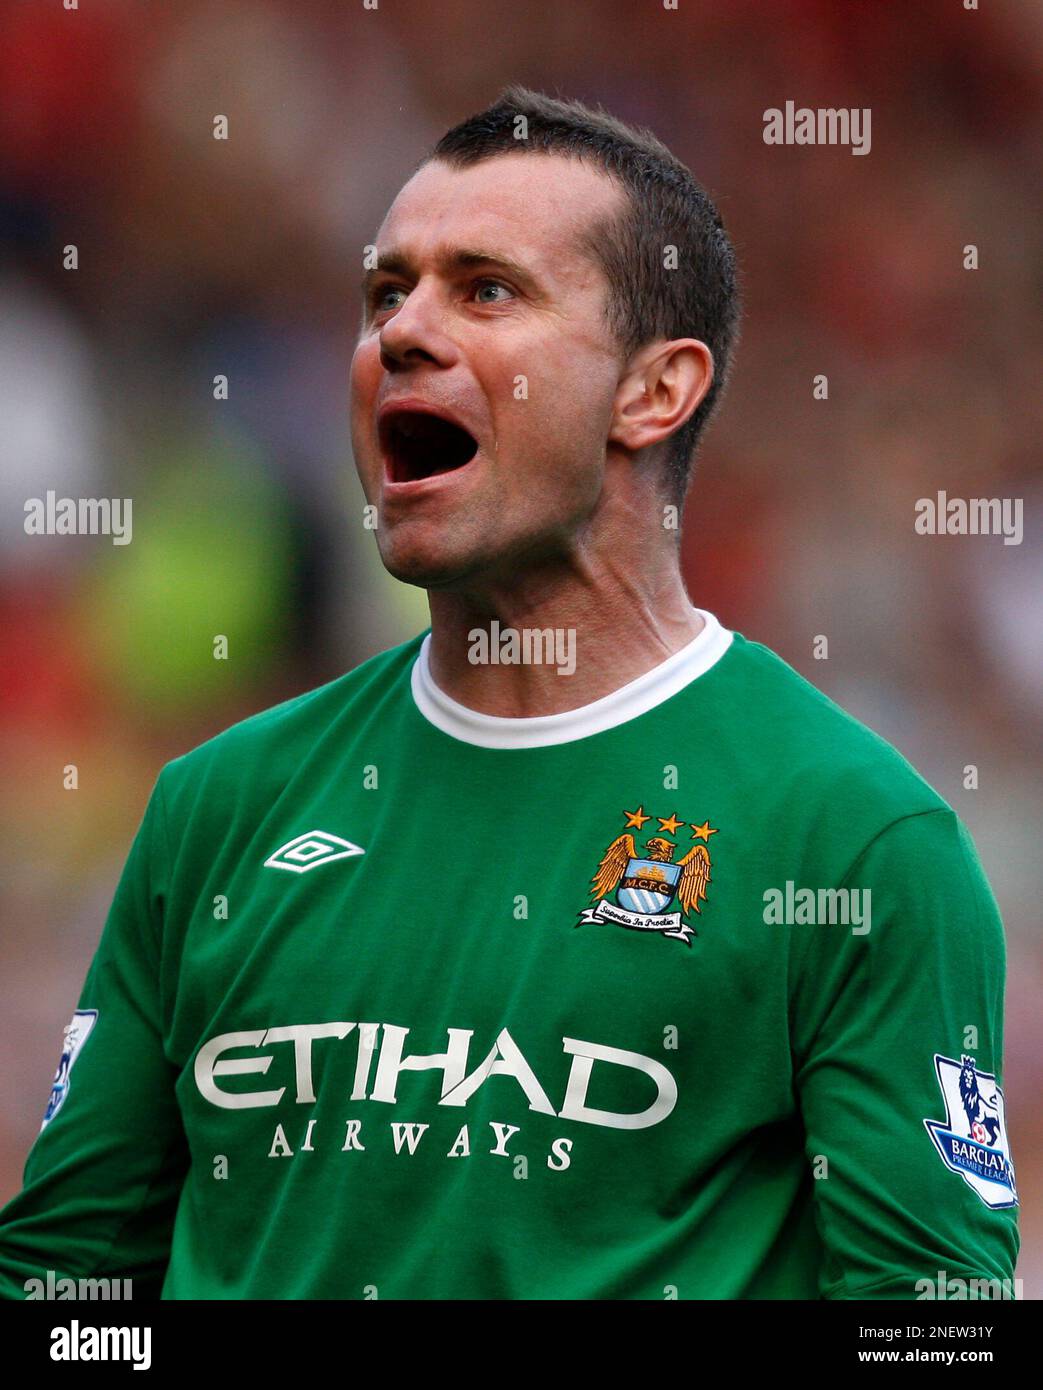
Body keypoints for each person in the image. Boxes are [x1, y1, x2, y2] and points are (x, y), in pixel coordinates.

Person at [0, 86, 1019, 1300]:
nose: (402, 335)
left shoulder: (849, 839)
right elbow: (67, 1293)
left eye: (485, 290)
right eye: (386, 295)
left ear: (655, 392)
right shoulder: (217, 810)